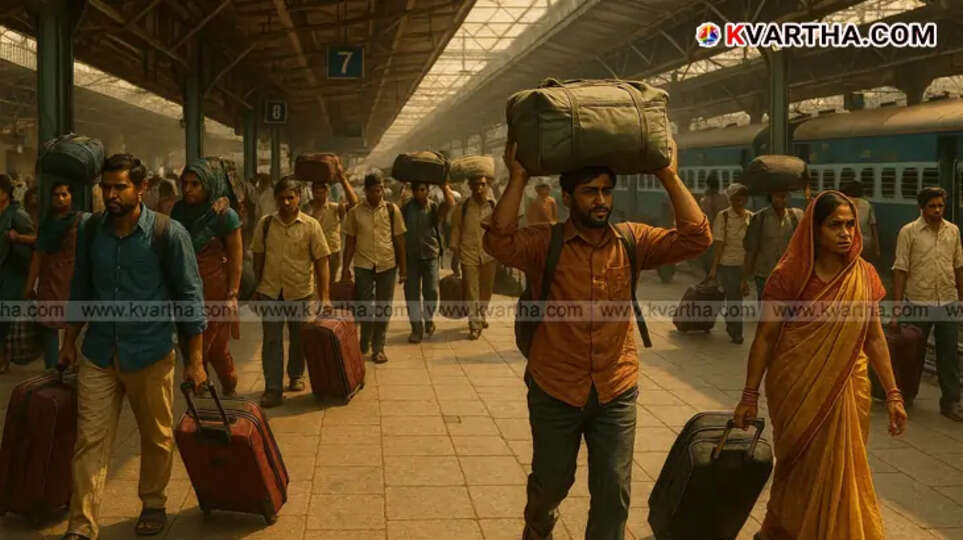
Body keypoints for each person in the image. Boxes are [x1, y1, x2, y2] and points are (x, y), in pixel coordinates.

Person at [485, 141, 711, 540]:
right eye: (590, 191)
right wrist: (518, 177)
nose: (601, 200)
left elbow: (696, 238)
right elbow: (498, 242)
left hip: (615, 387)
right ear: (567, 197)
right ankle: (538, 525)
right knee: (552, 483)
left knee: (613, 491)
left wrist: (668, 174)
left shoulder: (631, 240)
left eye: (607, 191)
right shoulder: (545, 243)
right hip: (554, 387)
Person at [733, 191, 908, 539]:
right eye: (835, 225)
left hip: (849, 387)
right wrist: (749, 395)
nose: (845, 233)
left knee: (844, 467)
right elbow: (766, 336)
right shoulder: (789, 275)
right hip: (796, 387)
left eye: (850, 225)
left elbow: (874, 338)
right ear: (814, 230)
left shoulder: (864, 275)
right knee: (801, 467)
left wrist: (893, 393)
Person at [59, 154, 207, 539]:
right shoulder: (91, 229)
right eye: (106, 187)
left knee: (156, 436)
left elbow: (190, 299)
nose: (111, 194)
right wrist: (68, 342)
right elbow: (80, 287)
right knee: (89, 440)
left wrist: (195, 361)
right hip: (99, 353)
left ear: (142, 188)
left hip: (150, 352)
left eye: (120, 187)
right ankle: (81, 525)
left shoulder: (168, 234)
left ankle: (153, 502)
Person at [251, 176, 331, 408]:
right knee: (272, 340)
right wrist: (257, 287)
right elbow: (258, 256)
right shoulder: (265, 224)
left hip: (300, 292)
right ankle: (273, 389)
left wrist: (325, 296)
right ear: (276, 198)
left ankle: (296, 374)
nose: (286, 202)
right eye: (282, 198)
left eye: (290, 197)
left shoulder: (311, 226)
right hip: (270, 291)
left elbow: (322, 261)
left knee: (298, 338)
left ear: (299, 197)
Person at [171, 158, 244, 397]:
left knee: (215, 349)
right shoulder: (179, 211)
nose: (188, 189)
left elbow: (236, 259)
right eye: (185, 183)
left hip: (215, 289)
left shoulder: (225, 215)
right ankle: (201, 392)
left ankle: (229, 385)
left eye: (195, 184)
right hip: (185, 289)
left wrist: (232, 295)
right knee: (189, 343)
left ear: (209, 184)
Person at [891, 186, 963, 422]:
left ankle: (951, 402)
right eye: (932, 206)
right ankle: (906, 396)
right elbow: (900, 270)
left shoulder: (953, 231)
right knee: (913, 354)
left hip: (947, 300)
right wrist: (897, 308)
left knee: (949, 353)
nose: (937, 210)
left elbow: (958, 267)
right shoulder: (909, 232)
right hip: (918, 301)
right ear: (922, 207)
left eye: (940, 205)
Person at [342, 172, 406, 364]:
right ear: (366, 191)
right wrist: (345, 268)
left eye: (380, 190)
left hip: (387, 264)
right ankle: (365, 338)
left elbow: (399, 240)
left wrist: (403, 268)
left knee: (383, 307)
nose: (377, 194)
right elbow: (350, 242)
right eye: (373, 191)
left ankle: (378, 348)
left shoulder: (392, 210)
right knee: (366, 306)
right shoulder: (355, 212)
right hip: (363, 265)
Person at [24, 181, 80, 370]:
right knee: (48, 326)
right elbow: (37, 256)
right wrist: (29, 286)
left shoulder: (79, 222)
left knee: (72, 327)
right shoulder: (46, 224)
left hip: (71, 280)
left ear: (71, 197)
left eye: (64, 194)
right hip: (49, 280)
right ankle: (52, 372)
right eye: (56, 195)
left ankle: (70, 368)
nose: (60, 199)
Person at [402, 181, 454, 343]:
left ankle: (428, 319)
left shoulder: (433, 207)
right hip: (411, 257)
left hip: (430, 255)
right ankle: (416, 328)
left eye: (422, 189)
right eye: (417, 190)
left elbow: (450, 204)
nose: (419, 193)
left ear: (428, 191)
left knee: (431, 291)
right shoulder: (406, 208)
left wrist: (444, 186)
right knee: (411, 293)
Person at [451, 174, 496, 340]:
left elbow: (500, 229)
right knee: (471, 290)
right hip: (468, 253)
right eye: (475, 185)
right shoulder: (462, 207)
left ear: (487, 185)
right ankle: (474, 324)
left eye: (482, 185)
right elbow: (456, 230)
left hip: (489, 254)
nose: (479, 188)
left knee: (486, 289)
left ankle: (481, 314)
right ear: (470, 186)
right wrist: (455, 255)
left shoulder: (493, 206)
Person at [706, 183, 751, 344]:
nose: (740, 201)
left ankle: (732, 324)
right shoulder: (723, 216)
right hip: (727, 264)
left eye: (742, 198)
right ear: (730, 200)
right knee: (735, 299)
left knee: (736, 298)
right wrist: (714, 268)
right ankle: (736, 332)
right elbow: (719, 244)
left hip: (744, 265)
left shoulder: (751, 217)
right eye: (736, 198)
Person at [0, 174, 35, 374]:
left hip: (13, 271)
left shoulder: (17, 214)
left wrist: (18, 237)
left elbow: (35, 238)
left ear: (6, 193)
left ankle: (3, 356)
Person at [305, 164, 359, 290]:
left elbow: (354, 203)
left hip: (332, 253)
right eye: (316, 192)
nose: (319, 195)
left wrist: (342, 178)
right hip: (311, 252)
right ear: (312, 192)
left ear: (327, 192)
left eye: (322, 192)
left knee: (329, 285)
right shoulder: (306, 208)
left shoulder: (335, 208)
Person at [744, 190, 804, 300]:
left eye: (784, 196)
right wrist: (745, 279)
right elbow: (751, 250)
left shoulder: (796, 216)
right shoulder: (760, 217)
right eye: (777, 196)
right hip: (764, 274)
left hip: (787, 274)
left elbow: (802, 246)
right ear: (771, 196)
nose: (781, 199)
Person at [841, 180, 880, 261]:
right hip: (865, 243)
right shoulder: (867, 204)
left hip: (850, 241)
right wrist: (877, 247)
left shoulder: (844, 203)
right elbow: (873, 227)